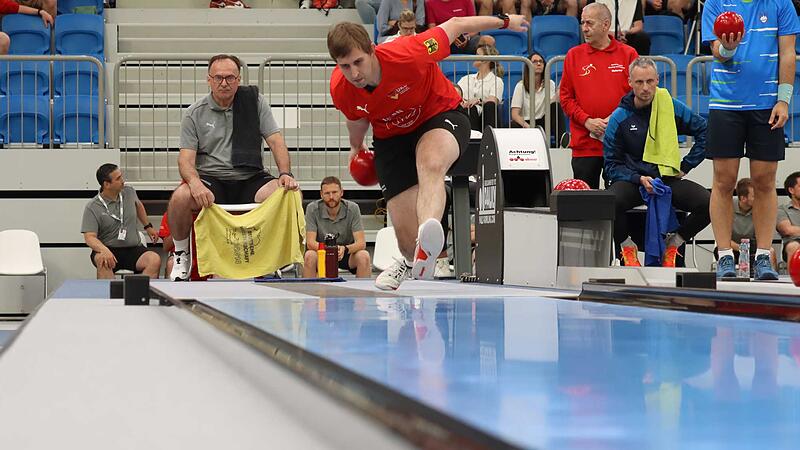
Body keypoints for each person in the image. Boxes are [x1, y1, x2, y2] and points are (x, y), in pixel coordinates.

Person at [328, 13, 529, 290]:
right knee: (404, 235)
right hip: (391, 138)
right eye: (345, 66)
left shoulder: (409, 52)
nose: (354, 73)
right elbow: (357, 117)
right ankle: (412, 260)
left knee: (430, 162)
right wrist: (355, 146)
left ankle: (429, 237)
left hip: (439, 114)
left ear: (371, 50)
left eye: (358, 62)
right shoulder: (341, 87)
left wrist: (505, 22)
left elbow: (456, 25)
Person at [167, 54, 300, 281]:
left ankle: (276, 260)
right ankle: (181, 254)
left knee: (289, 192)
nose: (224, 83)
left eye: (230, 77)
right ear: (208, 80)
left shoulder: (255, 103)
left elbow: (276, 141)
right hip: (212, 179)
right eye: (218, 77)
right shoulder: (194, 113)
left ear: (239, 79)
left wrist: (285, 174)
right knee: (180, 197)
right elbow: (185, 160)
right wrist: (195, 183)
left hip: (250, 176)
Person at [702, 0, 799, 279]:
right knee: (723, 180)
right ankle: (723, 256)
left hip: (767, 104)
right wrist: (728, 46)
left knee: (765, 181)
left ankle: (763, 257)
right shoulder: (715, 3)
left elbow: (788, 53)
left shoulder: (781, 4)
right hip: (726, 104)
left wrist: (783, 100)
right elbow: (717, 53)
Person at [603, 57, 708, 267]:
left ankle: (674, 244)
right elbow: (611, 166)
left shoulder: (669, 106)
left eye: (650, 81)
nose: (645, 88)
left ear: (658, 80)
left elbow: (705, 130)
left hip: (666, 179)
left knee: (709, 204)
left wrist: (686, 165)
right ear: (630, 82)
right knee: (608, 202)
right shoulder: (619, 117)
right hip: (634, 181)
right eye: (639, 82)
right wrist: (638, 178)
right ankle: (626, 247)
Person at [560, 2, 638, 189]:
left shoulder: (628, 54)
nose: (584, 29)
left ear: (605, 25)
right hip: (585, 145)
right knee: (587, 206)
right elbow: (565, 98)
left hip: (620, 145)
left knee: (620, 204)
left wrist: (614, 119)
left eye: (589, 23)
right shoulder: (573, 55)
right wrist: (587, 121)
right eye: (582, 23)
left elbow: (637, 96)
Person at [81, 164, 161, 279]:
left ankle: (140, 294)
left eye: (121, 176)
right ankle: (110, 296)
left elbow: (138, 206)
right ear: (106, 184)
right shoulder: (92, 206)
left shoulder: (129, 191)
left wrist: (148, 226)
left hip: (133, 248)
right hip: (108, 249)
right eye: (118, 179)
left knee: (154, 260)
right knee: (103, 261)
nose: (123, 181)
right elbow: (89, 237)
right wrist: (103, 250)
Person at [303, 176, 372, 278]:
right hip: (322, 252)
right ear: (321, 194)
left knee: (364, 256)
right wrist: (330, 249)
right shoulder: (312, 209)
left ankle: (362, 293)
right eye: (327, 193)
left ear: (341, 192)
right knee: (309, 256)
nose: (331, 197)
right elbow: (310, 243)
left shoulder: (353, 208)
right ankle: (308, 292)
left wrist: (345, 249)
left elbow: (361, 243)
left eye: (334, 192)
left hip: (345, 253)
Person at [510, 50, 565, 141]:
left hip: (543, 122)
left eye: (541, 61)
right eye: (535, 62)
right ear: (528, 66)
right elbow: (515, 114)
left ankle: (562, 142)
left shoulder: (549, 83)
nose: (539, 64)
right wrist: (529, 127)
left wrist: (559, 89)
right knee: (514, 124)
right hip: (527, 122)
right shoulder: (520, 86)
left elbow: (552, 105)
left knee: (555, 107)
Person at [457, 44, 505, 131]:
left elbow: (493, 100)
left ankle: (489, 138)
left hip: (486, 116)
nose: (473, 57)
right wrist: (468, 103)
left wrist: (478, 100)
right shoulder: (466, 79)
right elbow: (456, 95)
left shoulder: (497, 80)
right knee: (471, 109)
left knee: (489, 106)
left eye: (477, 55)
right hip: (468, 113)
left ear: (486, 60)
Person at [425, 0, 496, 54]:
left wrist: (466, 37)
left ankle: (486, 71)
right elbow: (432, 30)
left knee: (489, 40)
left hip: (467, 39)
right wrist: (451, 37)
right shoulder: (430, 3)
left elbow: (476, 25)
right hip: (445, 42)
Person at [777, 172, 800, 264]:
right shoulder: (782, 210)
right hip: (794, 242)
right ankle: (795, 277)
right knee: (793, 246)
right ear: (791, 190)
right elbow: (787, 230)